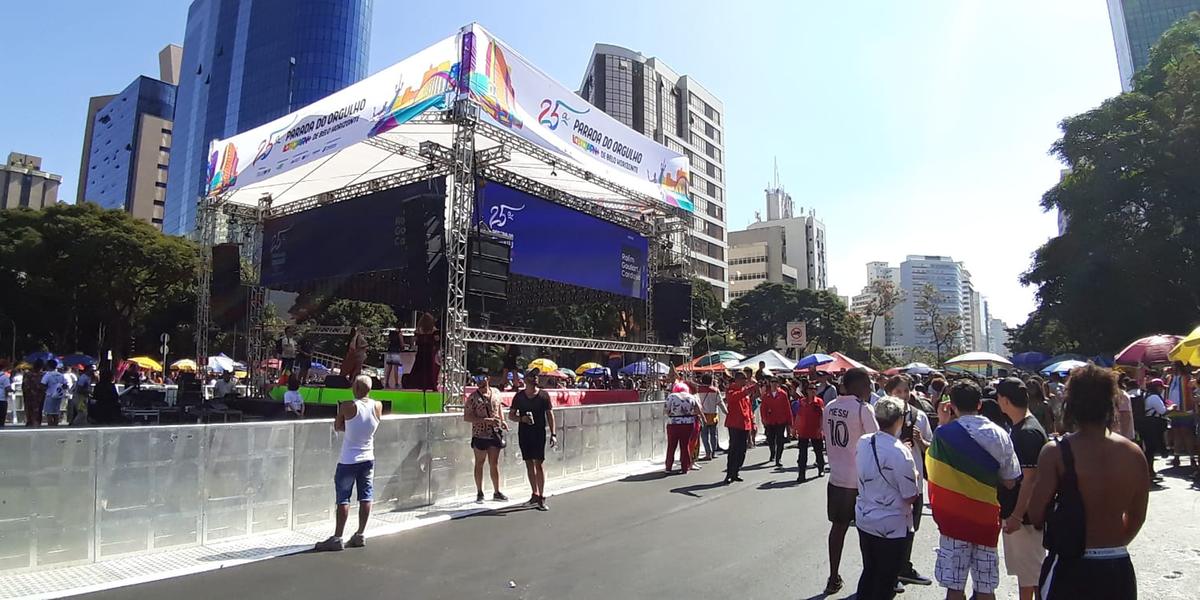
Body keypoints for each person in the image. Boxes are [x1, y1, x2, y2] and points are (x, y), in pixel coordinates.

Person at [1028, 365, 1148, 599]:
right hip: (1117, 564)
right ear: (1110, 403)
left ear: (1070, 404)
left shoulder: (1055, 452)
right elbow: (1137, 517)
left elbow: (1035, 515)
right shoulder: (1133, 454)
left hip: (1069, 564)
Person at [926, 381, 1021, 600]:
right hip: (986, 519)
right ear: (979, 404)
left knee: (955, 586)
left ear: (952, 406)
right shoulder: (999, 434)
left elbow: (933, 471)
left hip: (954, 521)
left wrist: (941, 423)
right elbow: (1010, 481)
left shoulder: (944, 435)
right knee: (986, 586)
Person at [855, 396, 921, 600]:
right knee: (885, 581)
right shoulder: (900, 452)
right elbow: (910, 495)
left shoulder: (865, 441)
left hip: (865, 518)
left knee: (870, 572)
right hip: (891, 526)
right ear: (900, 419)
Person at [821, 367, 879, 595]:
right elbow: (876, 441)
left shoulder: (829, 407)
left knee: (838, 529)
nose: (869, 389)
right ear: (858, 386)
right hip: (861, 481)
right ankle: (871, 578)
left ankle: (833, 576)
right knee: (868, 532)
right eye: (867, 385)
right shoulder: (862, 409)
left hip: (837, 478)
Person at [315, 375, 382, 552]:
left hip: (349, 459)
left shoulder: (348, 406)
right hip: (368, 457)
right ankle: (360, 534)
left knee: (343, 498)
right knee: (366, 496)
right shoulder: (378, 406)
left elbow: (338, 425)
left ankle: (338, 537)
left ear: (357, 388)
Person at [995, 377, 1048, 600]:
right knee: (1030, 575)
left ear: (1005, 400)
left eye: (998, 397)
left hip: (1024, 517)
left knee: (1031, 576)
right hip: (1022, 513)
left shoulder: (1025, 432)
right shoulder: (1024, 426)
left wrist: (1016, 515)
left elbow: (1030, 479)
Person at [886, 376, 934, 589]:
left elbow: (931, 449)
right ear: (889, 393)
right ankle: (890, 573)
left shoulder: (919, 417)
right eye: (898, 392)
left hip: (913, 480)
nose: (903, 396)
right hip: (890, 481)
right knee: (892, 528)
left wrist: (920, 442)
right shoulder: (882, 417)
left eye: (906, 391)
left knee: (911, 528)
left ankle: (904, 567)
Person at [510, 369, 556, 510]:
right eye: (532, 376)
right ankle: (534, 493)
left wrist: (553, 434)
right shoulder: (519, 397)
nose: (535, 378)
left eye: (536, 376)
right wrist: (521, 419)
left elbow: (550, 414)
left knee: (539, 464)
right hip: (524, 433)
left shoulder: (543, 395)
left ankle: (542, 496)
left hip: (538, 433)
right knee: (529, 463)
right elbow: (511, 415)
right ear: (526, 380)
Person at [464, 371, 508, 502]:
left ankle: (497, 491)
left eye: (482, 378)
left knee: (494, 463)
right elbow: (467, 417)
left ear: (488, 378)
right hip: (480, 434)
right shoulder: (472, 397)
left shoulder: (496, 392)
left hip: (494, 432)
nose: (479, 381)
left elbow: (499, 407)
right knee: (479, 462)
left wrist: (502, 420)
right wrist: (484, 420)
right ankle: (479, 491)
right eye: (476, 379)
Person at [723, 371, 755, 484]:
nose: (745, 381)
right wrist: (746, 391)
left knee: (742, 450)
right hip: (734, 424)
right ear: (737, 380)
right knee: (733, 449)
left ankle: (736, 471)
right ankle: (730, 473)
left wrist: (752, 423)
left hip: (744, 424)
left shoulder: (744, 393)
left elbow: (749, 409)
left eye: (745, 379)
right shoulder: (731, 389)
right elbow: (732, 398)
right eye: (743, 378)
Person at [663, 381, 702, 474]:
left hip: (673, 423)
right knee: (685, 446)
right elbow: (697, 410)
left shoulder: (671, 397)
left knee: (671, 446)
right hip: (688, 423)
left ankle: (668, 467)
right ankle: (685, 467)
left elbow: (665, 410)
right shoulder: (691, 397)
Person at [794, 379, 825, 482]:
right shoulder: (802, 402)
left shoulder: (819, 402)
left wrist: (821, 429)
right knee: (802, 453)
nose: (812, 391)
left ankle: (821, 468)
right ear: (806, 391)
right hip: (804, 430)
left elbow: (822, 416)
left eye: (814, 389)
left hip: (815, 429)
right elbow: (799, 415)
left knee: (818, 451)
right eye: (810, 389)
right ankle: (801, 473)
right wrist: (795, 428)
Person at [1140, 378, 1168, 481]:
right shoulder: (1155, 397)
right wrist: (1172, 407)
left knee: (1148, 448)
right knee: (1151, 449)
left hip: (1144, 423)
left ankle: (1149, 471)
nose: (1162, 390)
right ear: (1157, 387)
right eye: (1161, 388)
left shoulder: (1145, 395)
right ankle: (1150, 471)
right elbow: (1163, 411)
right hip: (1152, 424)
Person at [760, 377, 792, 468]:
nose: (774, 384)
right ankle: (772, 453)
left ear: (778, 384)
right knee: (770, 439)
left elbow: (787, 407)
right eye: (772, 382)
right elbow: (763, 408)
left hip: (780, 420)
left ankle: (778, 458)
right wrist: (764, 419)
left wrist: (789, 421)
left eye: (775, 382)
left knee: (780, 440)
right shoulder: (766, 395)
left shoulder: (783, 394)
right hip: (770, 421)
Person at [696, 375, 725, 460]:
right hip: (713, 415)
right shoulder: (715, 390)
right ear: (711, 380)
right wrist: (726, 412)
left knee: (704, 435)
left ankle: (708, 453)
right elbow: (721, 403)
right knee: (714, 434)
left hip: (703, 415)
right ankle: (713, 452)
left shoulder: (698, 390)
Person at [410, 313, 441, 391]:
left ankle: (419, 385)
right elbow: (437, 339)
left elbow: (414, 340)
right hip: (430, 351)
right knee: (430, 369)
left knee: (419, 368)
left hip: (420, 351)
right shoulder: (434, 330)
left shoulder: (418, 330)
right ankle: (431, 385)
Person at [41, 359, 69, 427]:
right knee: (56, 412)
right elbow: (65, 385)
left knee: (49, 413)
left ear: (48, 366)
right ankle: (55, 426)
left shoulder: (48, 375)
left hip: (50, 395)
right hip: (58, 395)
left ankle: (50, 427)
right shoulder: (61, 375)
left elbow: (43, 384)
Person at [23, 359, 46, 427]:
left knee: (29, 409)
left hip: (29, 395)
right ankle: (36, 422)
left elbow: (24, 386)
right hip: (40, 396)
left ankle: (30, 421)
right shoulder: (43, 375)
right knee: (38, 410)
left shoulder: (27, 374)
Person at [0, 361, 11, 427]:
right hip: (2, 399)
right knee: (1, 417)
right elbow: (8, 388)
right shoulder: (4, 377)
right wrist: (13, 390)